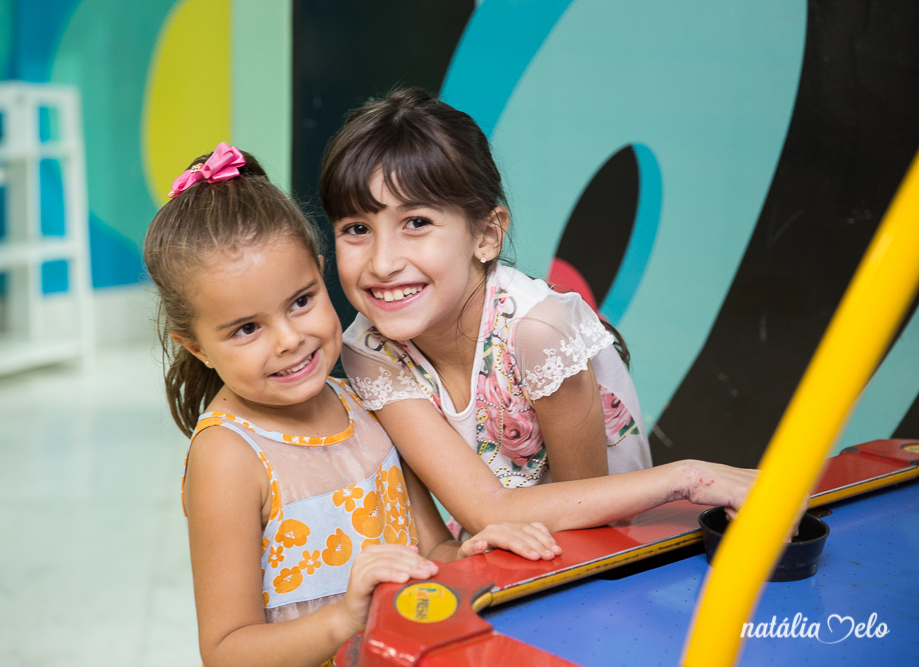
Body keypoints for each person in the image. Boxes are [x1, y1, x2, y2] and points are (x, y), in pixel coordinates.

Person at [144, 143, 560, 667]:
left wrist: (471, 555)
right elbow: (227, 651)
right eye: (247, 328)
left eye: (301, 301)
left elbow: (430, 551)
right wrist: (345, 617)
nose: (290, 339)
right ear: (197, 346)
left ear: (321, 276)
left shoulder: (367, 401)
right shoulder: (228, 456)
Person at [318, 88, 758, 537]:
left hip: (605, 556)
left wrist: (688, 480)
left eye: (417, 223)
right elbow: (482, 509)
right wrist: (684, 477)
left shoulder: (538, 332)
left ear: (487, 235)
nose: (382, 262)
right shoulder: (368, 347)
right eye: (357, 229)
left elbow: (588, 522)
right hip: (509, 542)